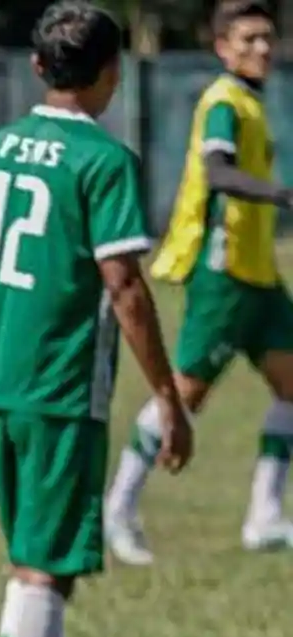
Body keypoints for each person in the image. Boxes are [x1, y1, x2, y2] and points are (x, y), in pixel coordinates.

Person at [0, 3, 192, 637]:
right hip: (58, 391)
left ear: (36, 67)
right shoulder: (104, 160)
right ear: (112, 72)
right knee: (44, 570)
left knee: (31, 560)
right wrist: (168, 397)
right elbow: (125, 286)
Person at [104, 0, 293, 564]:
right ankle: (118, 509)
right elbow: (217, 171)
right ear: (222, 48)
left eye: (267, 37)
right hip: (223, 273)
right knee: (184, 395)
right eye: (248, 38)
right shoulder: (223, 101)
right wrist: (282, 195)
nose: (262, 48)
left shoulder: (252, 100)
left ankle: (264, 517)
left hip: (259, 274)